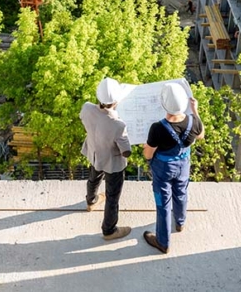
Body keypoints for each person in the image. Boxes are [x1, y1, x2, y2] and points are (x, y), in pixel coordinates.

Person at [143, 83, 204, 253]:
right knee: (182, 192)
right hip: (183, 165)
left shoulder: (157, 128)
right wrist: (195, 111)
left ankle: (163, 242)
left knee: (163, 202)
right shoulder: (193, 122)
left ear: (164, 104)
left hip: (163, 169)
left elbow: (148, 155)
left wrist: (145, 147)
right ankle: (180, 222)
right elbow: (201, 135)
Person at [79, 77, 132, 241]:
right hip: (112, 163)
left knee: (93, 178)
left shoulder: (87, 108)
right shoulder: (118, 124)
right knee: (112, 195)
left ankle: (91, 201)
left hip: (95, 153)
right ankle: (109, 230)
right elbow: (126, 152)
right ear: (116, 101)